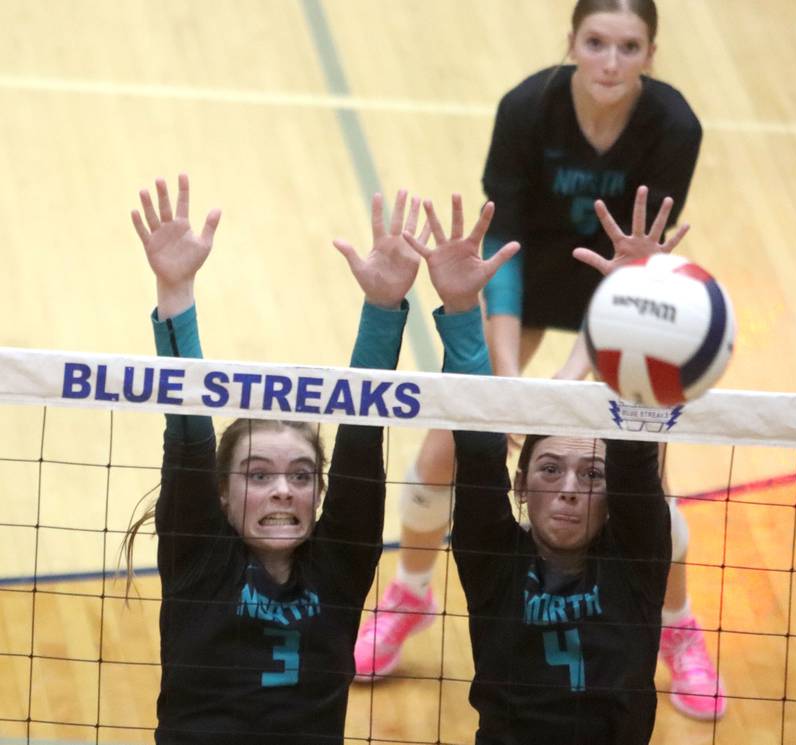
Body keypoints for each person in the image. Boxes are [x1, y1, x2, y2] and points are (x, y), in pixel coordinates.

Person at [355, 0, 724, 723]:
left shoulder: (674, 128)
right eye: (596, 43)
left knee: (647, 474)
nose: (610, 61)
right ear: (572, 44)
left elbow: (641, 259)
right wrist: (509, 386)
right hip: (527, 272)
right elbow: (507, 241)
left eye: (628, 46)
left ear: (651, 53)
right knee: (445, 446)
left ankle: (676, 627)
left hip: (621, 286)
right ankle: (410, 593)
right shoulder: (527, 108)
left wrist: (566, 382)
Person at [126, 175, 432, 744]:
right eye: (258, 475)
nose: (283, 490)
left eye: (300, 475)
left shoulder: (337, 567)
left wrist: (384, 305)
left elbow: (362, 441)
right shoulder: (198, 560)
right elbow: (188, 425)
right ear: (220, 494)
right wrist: (175, 292)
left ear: (321, 492)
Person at [404, 194, 669, 744]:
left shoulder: (635, 561)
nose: (570, 488)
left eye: (592, 475)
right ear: (519, 485)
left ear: (614, 490)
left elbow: (636, 449)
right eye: (550, 469)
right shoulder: (495, 562)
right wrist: (459, 309)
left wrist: (636, 300)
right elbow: (476, 447)